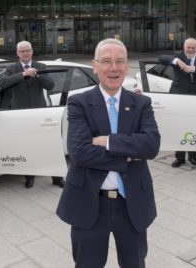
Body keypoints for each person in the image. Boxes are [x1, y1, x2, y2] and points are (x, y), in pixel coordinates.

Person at [56, 38, 160, 268]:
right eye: (106, 61)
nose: (114, 68)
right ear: (95, 66)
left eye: (120, 61)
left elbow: (151, 146)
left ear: (126, 66)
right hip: (89, 205)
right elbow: (80, 153)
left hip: (131, 205)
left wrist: (108, 142)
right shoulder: (78, 103)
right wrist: (128, 155)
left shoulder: (141, 103)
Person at [1, 41, 65, 189]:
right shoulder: (12, 68)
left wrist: (36, 74)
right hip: (20, 114)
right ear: (17, 53)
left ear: (32, 51)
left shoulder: (41, 66)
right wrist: (23, 74)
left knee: (48, 146)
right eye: (22, 51)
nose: (25, 53)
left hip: (39, 113)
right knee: (26, 146)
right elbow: (3, 84)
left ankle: (56, 177)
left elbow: (50, 85)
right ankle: (29, 177)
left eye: (27, 50)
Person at [158, 37, 196, 168]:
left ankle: (193, 156)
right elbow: (161, 58)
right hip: (179, 97)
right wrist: (177, 61)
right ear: (184, 47)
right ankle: (180, 158)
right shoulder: (178, 57)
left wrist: (193, 69)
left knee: (195, 126)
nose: (190, 50)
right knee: (179, 127)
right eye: (188, 47)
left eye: (193, 47)